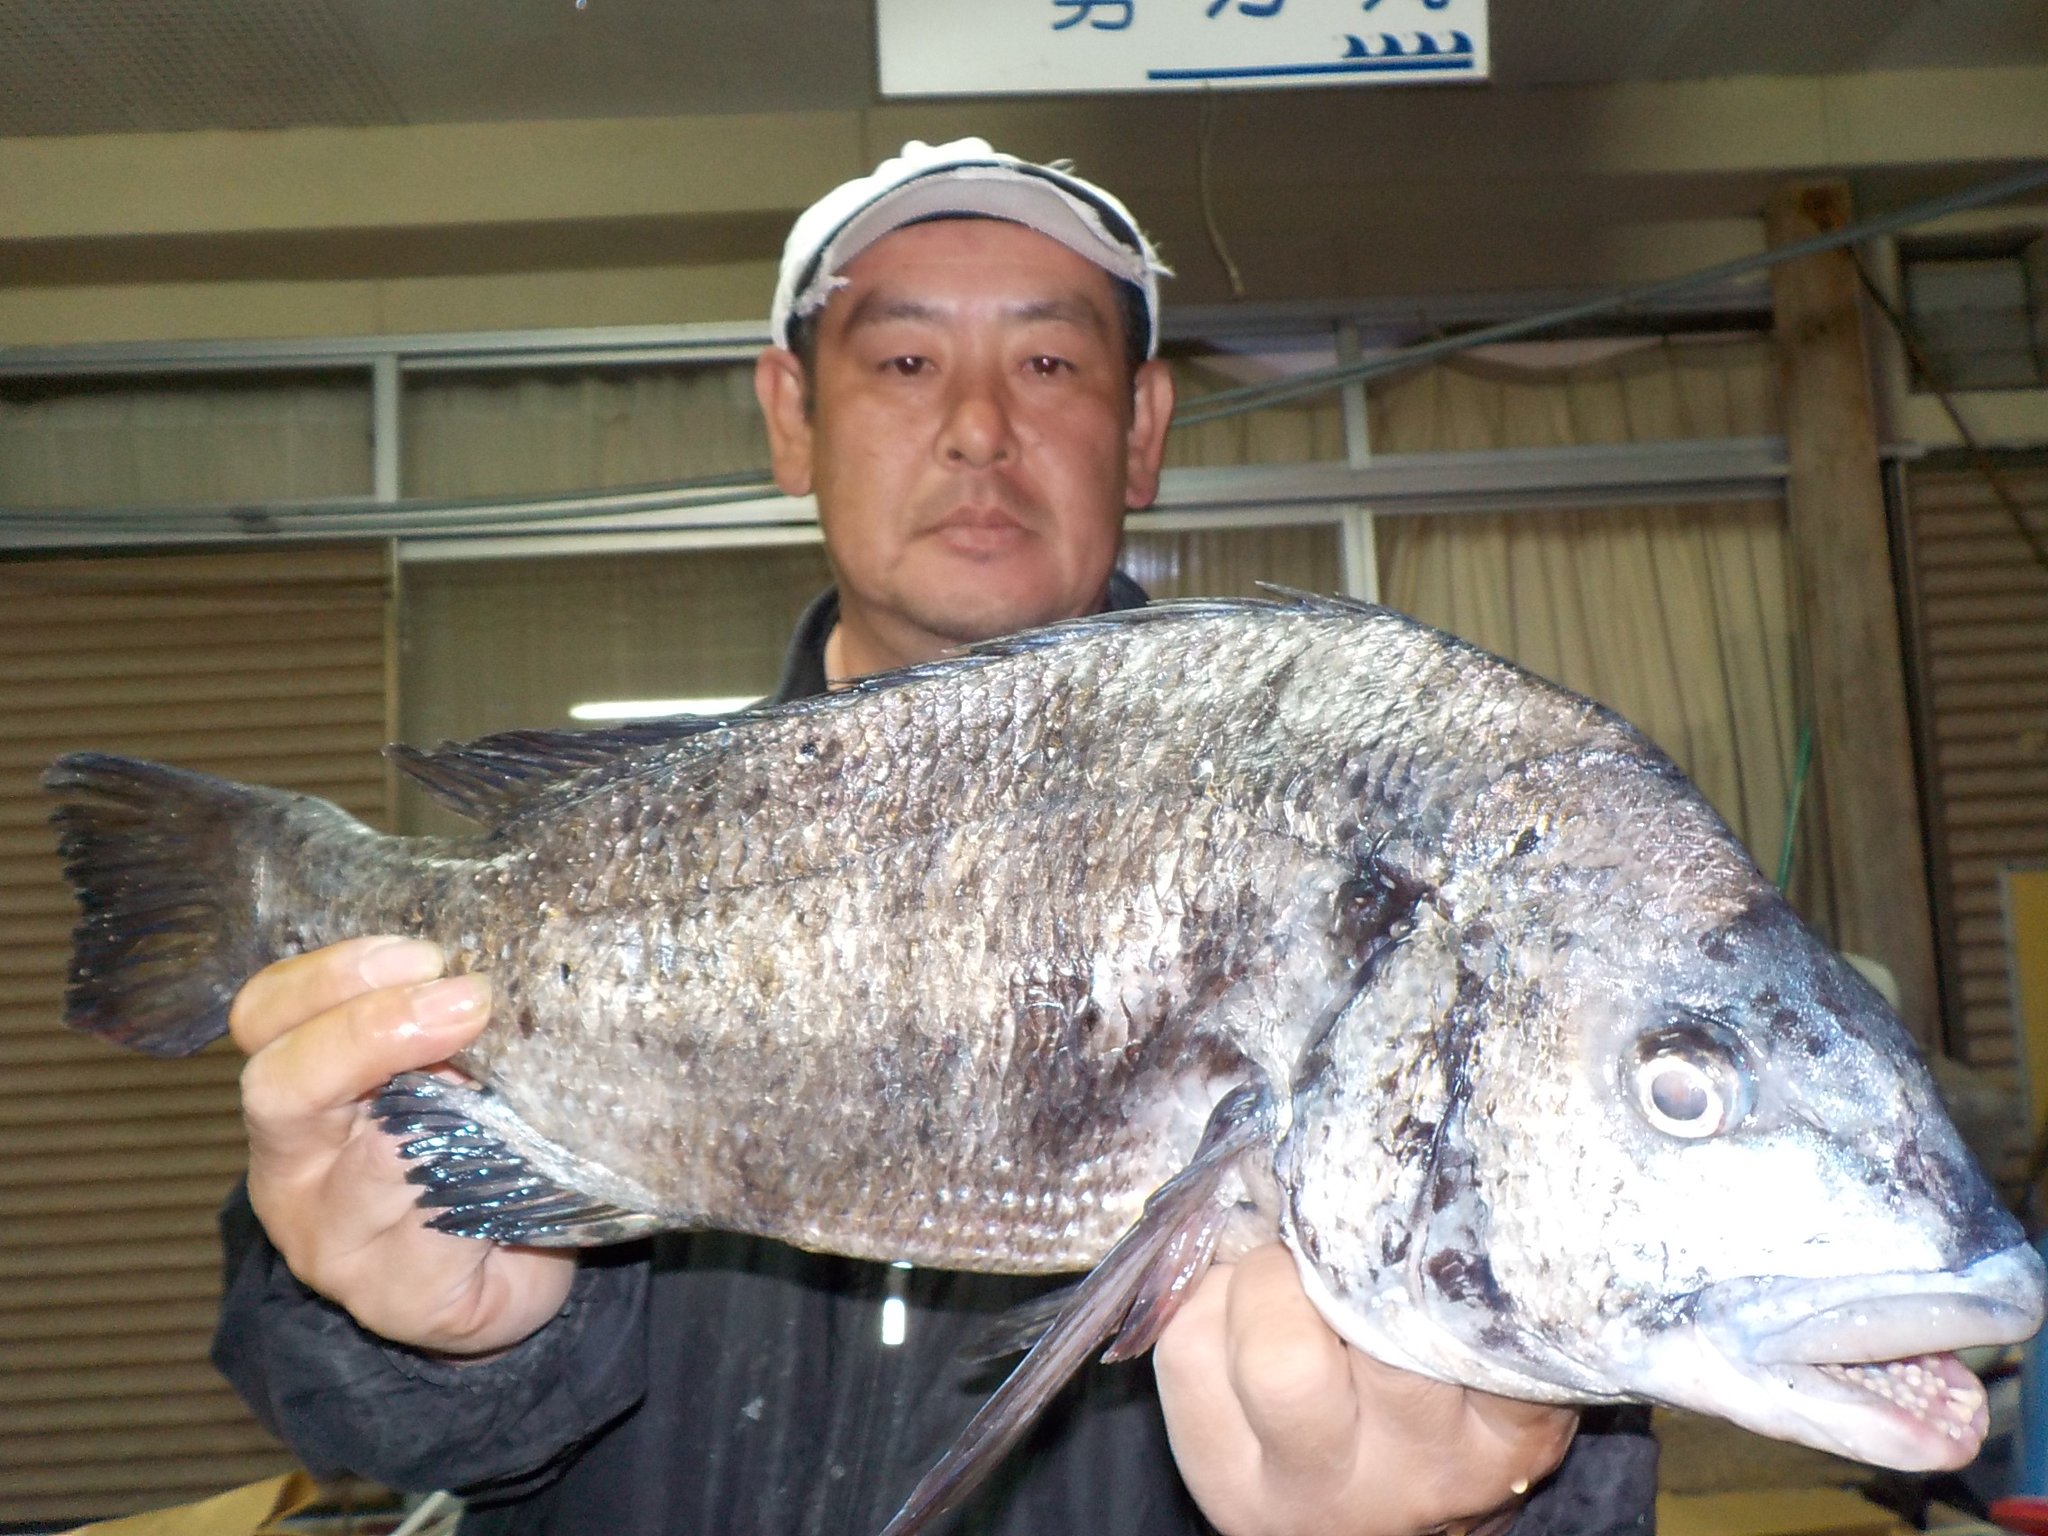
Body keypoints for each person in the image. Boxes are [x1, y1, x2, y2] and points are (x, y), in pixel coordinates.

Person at [211, 139, 1656, 1536]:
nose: (980, 425)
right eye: (904, 361)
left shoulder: (1361, 861)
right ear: (790, 416)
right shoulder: (617, 862)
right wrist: (440, 1342)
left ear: (1143, 427)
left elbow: (1583, 1397)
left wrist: (1468, 1507)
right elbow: (352, 1417)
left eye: (1049, 361)